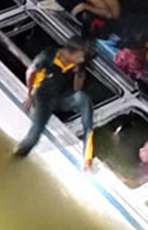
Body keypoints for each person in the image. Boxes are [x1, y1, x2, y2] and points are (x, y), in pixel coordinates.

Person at [14, 37, 95, 169]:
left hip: (61, 98)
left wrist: (79, 75)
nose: (82, 60)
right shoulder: (49, 55)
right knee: (34, 135)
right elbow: (31, 72)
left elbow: (76, 89)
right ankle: (17, 157)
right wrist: (30, 95)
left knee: (83, 98)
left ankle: (88, 156)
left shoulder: (77, 65)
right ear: (71, 52)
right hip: (43, 96)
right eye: (80, 56)